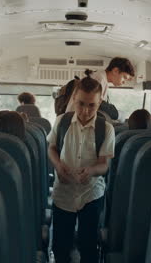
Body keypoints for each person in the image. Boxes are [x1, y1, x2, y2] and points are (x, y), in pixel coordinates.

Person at [47, 70, 115, 263]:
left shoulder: (106, 129)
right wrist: (58, 165)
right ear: (74, 99)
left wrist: (91, 171)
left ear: (99, 102)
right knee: (61, 246)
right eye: (81, 104)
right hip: (63, 192)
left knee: (89, 246)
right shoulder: (61, 122)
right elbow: (51, 148)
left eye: (91, 105)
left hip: (91, 193)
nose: (85, 110)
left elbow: (104, 165)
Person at [65, 57, 135, 112]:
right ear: (115, 71)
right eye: (124, 77)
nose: (124, 82)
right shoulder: (99, 78)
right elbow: (95, 105)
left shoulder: (102, 79)